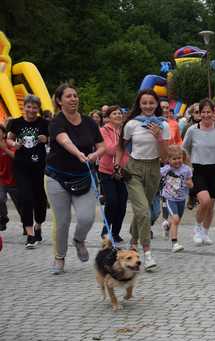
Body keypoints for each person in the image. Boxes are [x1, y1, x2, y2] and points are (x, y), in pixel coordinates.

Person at [45, 83, 104, 274]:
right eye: (68, 96)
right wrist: (78, 153)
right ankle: (59, 257)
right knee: (62, 221)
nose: (73, 99)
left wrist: (96, 155)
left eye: (75, 96)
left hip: (83, 176)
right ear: (59, 101)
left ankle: (79, 240)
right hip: (57, 177)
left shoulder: (89, 122)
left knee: (87, 218)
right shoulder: (57, 122)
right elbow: (64, 140)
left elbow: (102, 146)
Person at [118, 89, 170, 272]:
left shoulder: (164, 125)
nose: (148, 106)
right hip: (134, 169)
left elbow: (165, 157)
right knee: (144, 212)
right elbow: (120, 147)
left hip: (154, 169)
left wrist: (158, 137)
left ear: (157, 104)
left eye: (151, 103)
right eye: (144, 103)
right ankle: (147, 253)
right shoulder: (131, 124)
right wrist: (119, 165)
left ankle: (133, 242)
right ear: (139, 104)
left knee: (142, 212)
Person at [183, 98, 215, 245]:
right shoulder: (193, 130)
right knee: (204, 201)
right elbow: (184, 149)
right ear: (199, 114)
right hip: (198, 169)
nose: (206, 115)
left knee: (210, 205)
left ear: (214, 113)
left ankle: (205, 232)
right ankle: (197, 228)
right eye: (203, 112)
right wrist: (187, 165)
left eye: (209, 112)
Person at [6, 94, 49, 248]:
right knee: (25, 198)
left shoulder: (44, 123)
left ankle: (38, 226)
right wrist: (13, 144)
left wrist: (46, 139)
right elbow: (9, 138)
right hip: (21, 166)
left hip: (38, 166)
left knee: (40, 199)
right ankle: (30, 234)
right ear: (23, 107)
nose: (31, 110)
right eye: (28, 107)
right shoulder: (15, 123)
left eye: (34, 107)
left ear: (38, 109)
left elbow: (52, 139)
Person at [98, 106, 128, 243]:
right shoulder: (103, 130)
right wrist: (123, 143)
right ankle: (106, 231)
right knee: (112, 202)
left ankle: (115, 233)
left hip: (122, 172)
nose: (118, 115)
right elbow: (109, 149)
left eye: (119, 113)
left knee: (122, 204)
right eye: (114, 113)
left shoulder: (125, 130)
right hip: (107, 171)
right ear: (108, 117)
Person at [160, 145, 193, 252]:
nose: (177, 161)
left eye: (179, 158)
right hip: (169, 198)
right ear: (168, 160)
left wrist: (189, 184)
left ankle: (166, 226)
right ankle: (175, 243)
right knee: (176, 219)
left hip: (181, 199)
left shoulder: (187, 170)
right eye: (174, 159)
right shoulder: (166, 169)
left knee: (175, 220)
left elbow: (191, 184)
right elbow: (156, 175)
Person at [0, 124, 21, 232]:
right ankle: (3, 219)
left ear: (3, 134)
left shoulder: (9, 143)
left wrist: (5, 149)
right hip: (1, 180)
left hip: (14, 180)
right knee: (0, 199)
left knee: (20, 205)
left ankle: (26, 224)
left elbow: (16, 157)